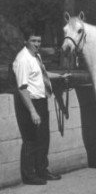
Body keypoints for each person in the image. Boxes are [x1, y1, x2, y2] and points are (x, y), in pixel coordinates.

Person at [13, 27, 70, 185]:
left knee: (43, 139)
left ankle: (42, 171)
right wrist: (33, 111)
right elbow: (22, 88)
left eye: (39, 41)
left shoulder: (36, 56)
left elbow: (42, 75)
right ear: (26, 41)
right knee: (30, 140)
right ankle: (29, 176)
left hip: (41, 100)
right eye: (33, 41)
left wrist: (60, 76)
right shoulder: (23, 59)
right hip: (29, 103)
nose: (37, 44)